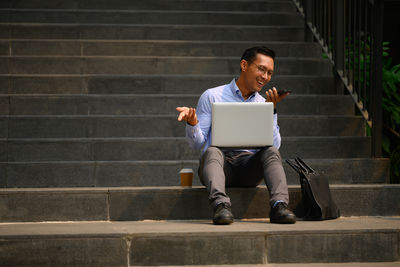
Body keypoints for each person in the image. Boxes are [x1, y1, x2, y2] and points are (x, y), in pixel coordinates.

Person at [176, 46, 296, 225]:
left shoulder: (264, 102)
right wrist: (193, 123)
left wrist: (271, 111)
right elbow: (197, 144)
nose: (266, 77)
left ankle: (279, 206)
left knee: (270, 151)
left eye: (270, 73)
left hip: (249, 168)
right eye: (261, 69)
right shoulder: (212, 96)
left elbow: (275, 147)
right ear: (244, 65)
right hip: (219, 166)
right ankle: (221, 206)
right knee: (212, 150)